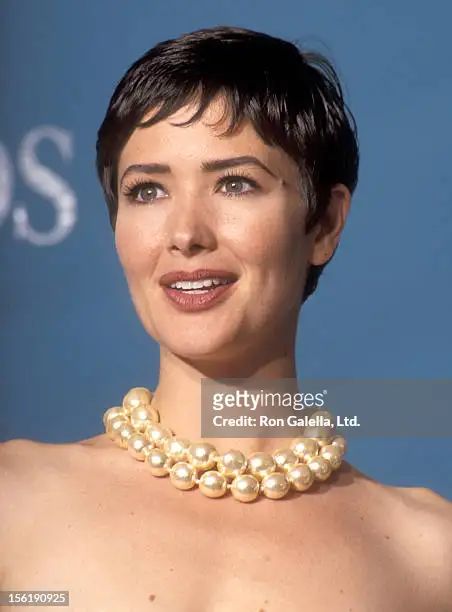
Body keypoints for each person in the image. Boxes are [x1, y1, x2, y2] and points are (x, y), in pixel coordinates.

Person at [1, 25, 451, 612]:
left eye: (235, 184)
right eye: (147, 192)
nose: (185, 234)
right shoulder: (14, 505)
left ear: (324, 224)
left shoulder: (428, 556)